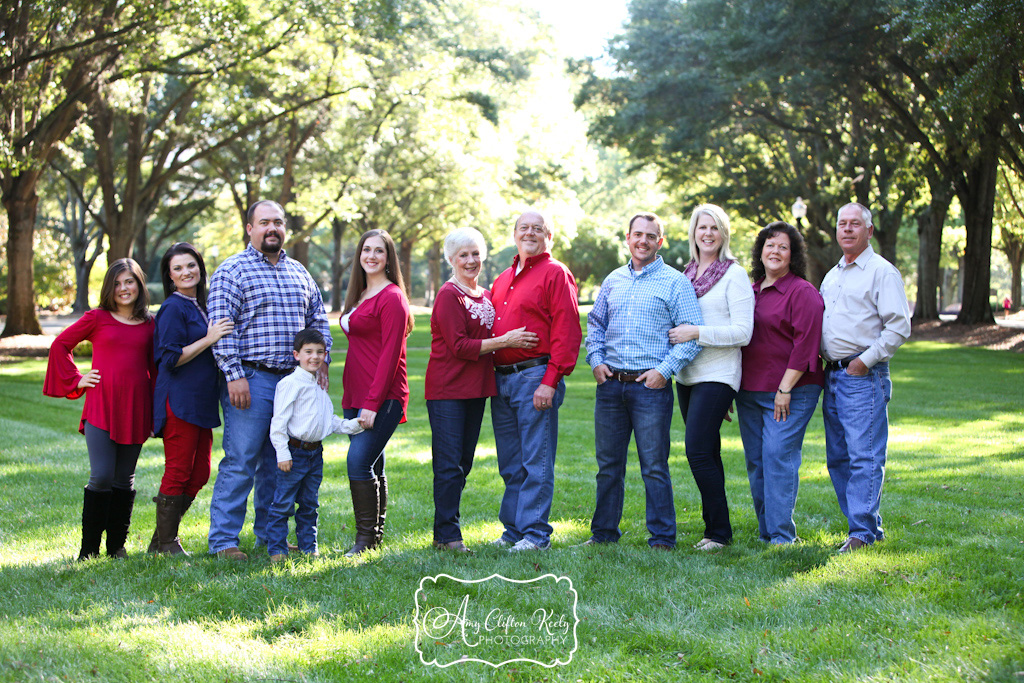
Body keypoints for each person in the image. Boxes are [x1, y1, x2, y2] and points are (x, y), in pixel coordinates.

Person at [206, 200, 332, 560]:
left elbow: (318, 322)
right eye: (264, 222)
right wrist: (234, 375)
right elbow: (222, 328)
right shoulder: (232, 270)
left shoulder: (299, 273)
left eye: (278, 222)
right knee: (242, 459)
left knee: (279, 462)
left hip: (294, 383)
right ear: (250, 228)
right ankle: (224, 541)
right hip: (251, 377)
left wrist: (321, 362)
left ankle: (269, 536)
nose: (272, 228)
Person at [584, 212, 703, 550]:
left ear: (659, 242)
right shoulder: (613, 280)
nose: (643, 241)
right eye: (638, 234)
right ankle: (603, 534)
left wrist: (664, 371)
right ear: (627, 237)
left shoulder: (675, 282)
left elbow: (691, 336)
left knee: (653, 466)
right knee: (608, 466)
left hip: (651, 388)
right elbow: (596, 325)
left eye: (651, 236)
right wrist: (595, 361)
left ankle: (663, 538)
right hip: (611, 385)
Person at [426, 228, 538, 553]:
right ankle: (448, 536)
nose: (471, 260)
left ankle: (443, 533)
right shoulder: (449, 295)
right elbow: (460, 345)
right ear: (451, 259)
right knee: (448, 464)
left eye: (475, 254)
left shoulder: (486, 295)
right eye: (463, 255)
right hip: (448, 390)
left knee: (463, 463)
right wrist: (506, 341)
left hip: (476, 390)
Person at [44, 258, 155, 560]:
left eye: (129, 281)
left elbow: (155, 368)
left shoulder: (149, 323)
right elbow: (60, 345)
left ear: (139, 285)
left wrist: (158, 411)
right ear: (109, 288)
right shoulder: (97, 317)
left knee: (124, 479)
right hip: (101, 406)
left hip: (136, 406)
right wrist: (78, 379)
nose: (123, 288)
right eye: (117, 283)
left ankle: (116, 547)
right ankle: (88, 550)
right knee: (102, 475)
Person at [820, 203, 911, 553]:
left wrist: (864, 361)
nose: (847, 229)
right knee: (839, 457)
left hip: (862, 375)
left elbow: (899, 326)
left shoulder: (881, 272)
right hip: (833, 376)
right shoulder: (833, 274)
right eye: (842, 223)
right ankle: (865, 526)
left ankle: (861, 532)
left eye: (855, 224)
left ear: (869, 231)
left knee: (864, 455)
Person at [490, 210, 582, 552]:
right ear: (514, 234)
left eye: (538, 229)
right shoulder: (502, 279)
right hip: (501, 381)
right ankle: (513, 531)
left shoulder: (556, 273)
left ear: (549, 237)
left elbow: (567, 329)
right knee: (511, 462)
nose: (530, 233)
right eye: (524, 228)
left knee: (535, 460)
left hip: (535, 376)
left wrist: (551, 380)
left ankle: (535, 534)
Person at [669, 205, 754, 550]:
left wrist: (696, 332)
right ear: (693, 233)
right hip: (687, 375)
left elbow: (743, 332)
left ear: (724, 234)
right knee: (709, 452)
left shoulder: (734, 275)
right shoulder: (685, 274)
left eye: (714, 228)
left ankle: (717, 532)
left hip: (719, 373)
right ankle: (718, 530)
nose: (707, 233)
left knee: (698, 450)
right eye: (702, 227)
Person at [736, 222, 824, 545]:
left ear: (793, 255)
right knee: (757, 461)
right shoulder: (750, 291)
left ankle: (782, 537)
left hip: (793, 390)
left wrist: (785, 389)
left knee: (777, 455)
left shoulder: (802, 292)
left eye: (783, 247)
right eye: (769, 245)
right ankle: (767, 531)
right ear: (760, 251)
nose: (775, 251)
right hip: (750, 391)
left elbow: (807, 344)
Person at [149, 243, 233, 555]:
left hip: (201, 401)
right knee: (178, 471)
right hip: (179, 401)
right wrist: (209, 339)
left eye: (191, 265)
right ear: (170, 277)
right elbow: (169, 358)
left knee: (199, 474)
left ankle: (159, 540)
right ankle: (169, 543)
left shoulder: (200, 303)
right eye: (178, 268)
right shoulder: (173, 307)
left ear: (199, 267)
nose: (186, 272)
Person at [340, 228, 413, 557]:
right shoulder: (358, 296)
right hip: (355, 395)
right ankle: (375, 539)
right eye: (366, 249)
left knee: (357, 463)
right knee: (373, 465)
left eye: (378, 251)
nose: (371, 255)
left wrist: (371, 405)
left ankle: (364, 541)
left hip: (382, 397)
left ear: (388, 258)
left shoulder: (392, 297)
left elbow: (390, 355)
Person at [266, 329, 363, 562]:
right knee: (282, 504)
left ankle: (309, 548)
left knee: (310, 503)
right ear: (296, 354)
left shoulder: (319, 386)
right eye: (308, 352)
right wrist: (282, 453)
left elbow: (327, 421)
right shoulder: (290, 384)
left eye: (320, 352)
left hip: (315, 454)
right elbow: (278, 422)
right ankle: (277, 550)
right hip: (294, 453)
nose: (315, 357)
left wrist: (355, 425)